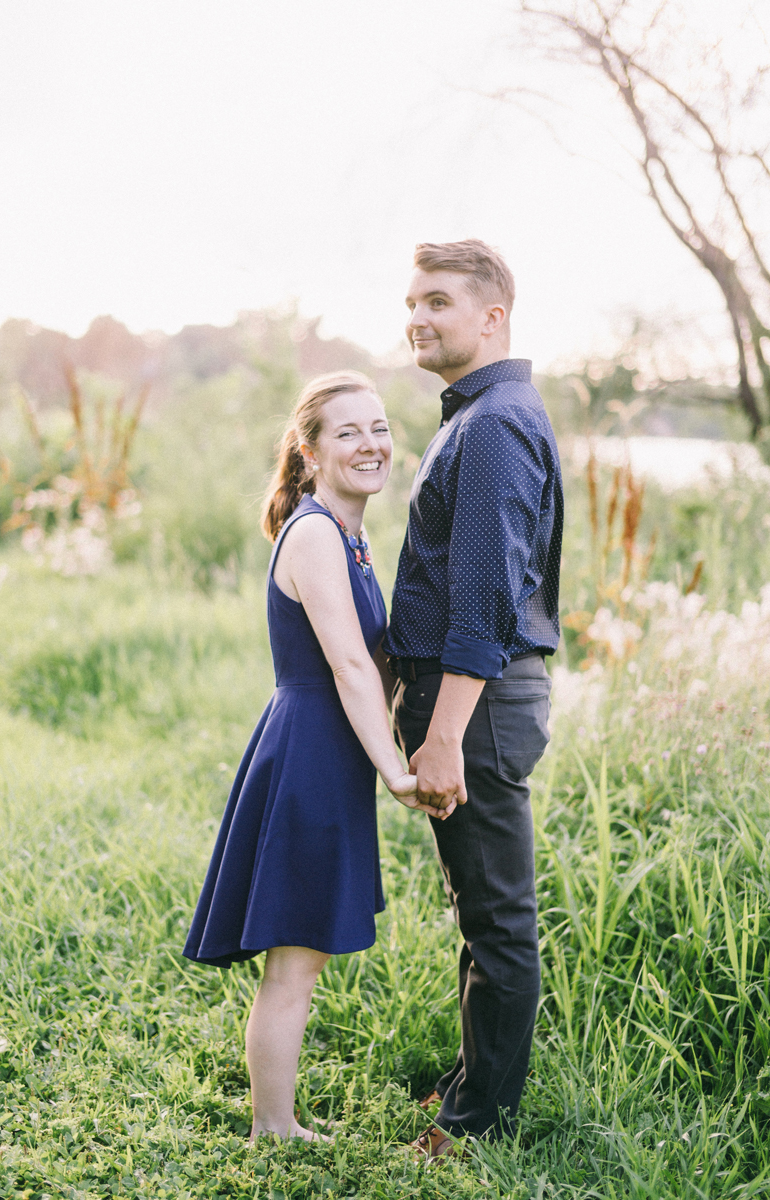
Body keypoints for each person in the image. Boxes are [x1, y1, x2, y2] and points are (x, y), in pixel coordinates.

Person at [183, 370, 452, 1144]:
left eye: (379, 428)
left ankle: (277, 1119)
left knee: (303, 958)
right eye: (347, 432)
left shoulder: (349, 533)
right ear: (308, 452)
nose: (371, 444)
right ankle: (273, 1129)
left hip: (323, 752)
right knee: (294, 964)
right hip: (309, 755)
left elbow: (380, 659)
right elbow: (352, 667)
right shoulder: (312, 533)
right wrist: (397, 771)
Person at [384, 240, 564, 1158]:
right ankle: (470, 1079)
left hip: (478, 707)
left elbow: (486, 596)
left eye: (439, 302)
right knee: (477, 907)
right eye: (412, 301)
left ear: (492, 315)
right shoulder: (477, 414)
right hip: (471, 704)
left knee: (499, 919)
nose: (418, 316)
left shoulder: (491, 424)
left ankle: (480, 1124)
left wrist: (443, 731)